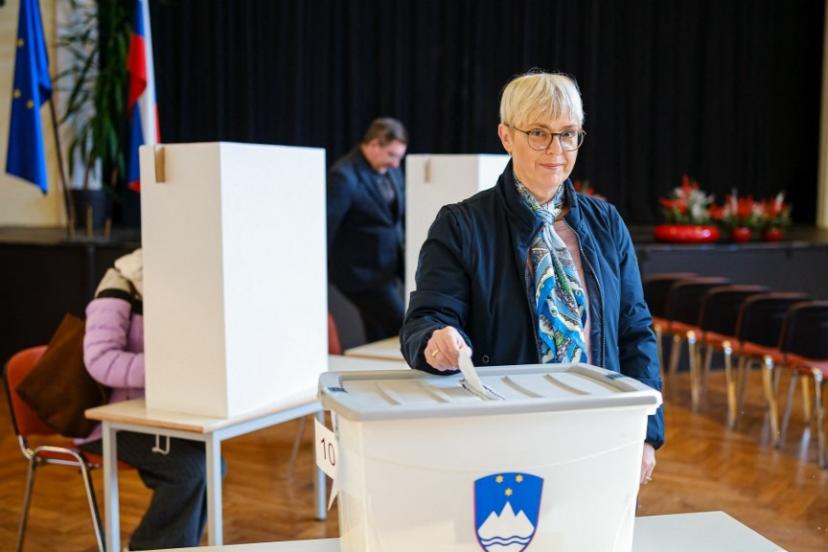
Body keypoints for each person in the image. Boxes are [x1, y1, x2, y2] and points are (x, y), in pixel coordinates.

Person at [400, 71, 663, 485]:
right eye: (539, 133)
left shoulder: (606, 223)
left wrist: (646, 430)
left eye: (568, 134)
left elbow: (635, 331)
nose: (556, 149)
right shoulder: (462, 225)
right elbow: (426, 320)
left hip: (602, 430)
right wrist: (435, 342)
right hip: (502, 438)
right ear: (506, 136)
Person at [76, 249, 224, 550]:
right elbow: (99, 360)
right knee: (189, 470)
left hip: (157, 414)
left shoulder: (180, 288)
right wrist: (167, 368)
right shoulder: (119, 286)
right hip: (107, 422)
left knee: (213, 465)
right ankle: (148, 547)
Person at [327, 117, 408, 342]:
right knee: (404, 327)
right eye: (392, 155)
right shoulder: (343, 176)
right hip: (361, 274)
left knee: (377, 336)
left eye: (399, 157)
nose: (396, 163)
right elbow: (327, 227)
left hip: (387, 269)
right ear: (373, 145)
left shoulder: (391, 171)